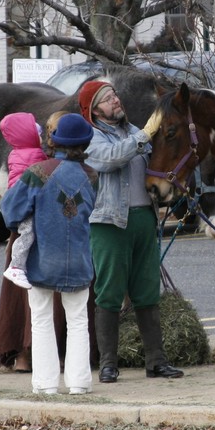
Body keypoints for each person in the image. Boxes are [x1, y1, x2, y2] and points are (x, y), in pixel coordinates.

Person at [78, 79, 185, 383]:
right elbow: (110, 160)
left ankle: (156, 361)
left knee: (147, 290)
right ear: (94, 110)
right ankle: (109, 363)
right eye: (107, 98)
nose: (115, 101)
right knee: (109, 292)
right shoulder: (93, 136)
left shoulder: (134, 130)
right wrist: (144, 135)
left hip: (143, 219)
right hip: (109, 223)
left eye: (115, 95)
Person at [0, 113, 99, 395]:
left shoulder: (38, 172)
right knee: (78, 320)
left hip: (43, 257)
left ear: (55, 140)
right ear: (86, 142)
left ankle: (45, 384)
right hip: (80, 257)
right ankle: (79, 382)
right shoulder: (92, 176)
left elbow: (11, 209)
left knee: (41, 318)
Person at [0, 112, 47, 291]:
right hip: (25, 200)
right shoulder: (34, 154)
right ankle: (16, 266)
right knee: (28, 232)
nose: (42, 139)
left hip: (21, 198)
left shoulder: (18, 152)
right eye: (39, 135)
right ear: (29, 136)